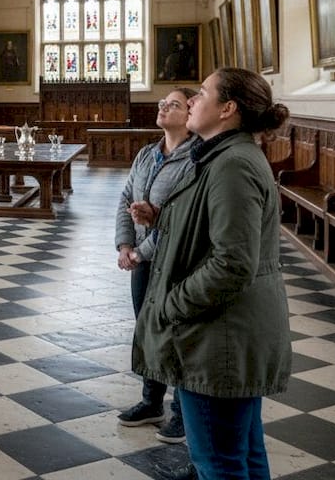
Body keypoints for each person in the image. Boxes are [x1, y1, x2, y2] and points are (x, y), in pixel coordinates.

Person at [132, 68, 292, 480]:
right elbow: (211, 225)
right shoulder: (221, 155)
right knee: (244, 455)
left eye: (201, 93)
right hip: (226, 334)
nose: (191, 101)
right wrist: (163, 217)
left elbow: (233, 262)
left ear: (228, 109)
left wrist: (171, 304)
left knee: (219, 464)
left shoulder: (232, 164)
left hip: (216, 338)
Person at [114, 88, 198, 447]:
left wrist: (142, 252)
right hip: (143, 259)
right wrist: (125, 245)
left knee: (176, 333)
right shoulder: (148, 153)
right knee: (146, 328)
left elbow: (181, 218)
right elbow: (126, 197)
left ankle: (181, 413)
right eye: (162, 103)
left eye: (173, 104)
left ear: (190, 113)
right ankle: (152, 402)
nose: (164, 107)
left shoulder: (196, 159)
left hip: (174, 259)